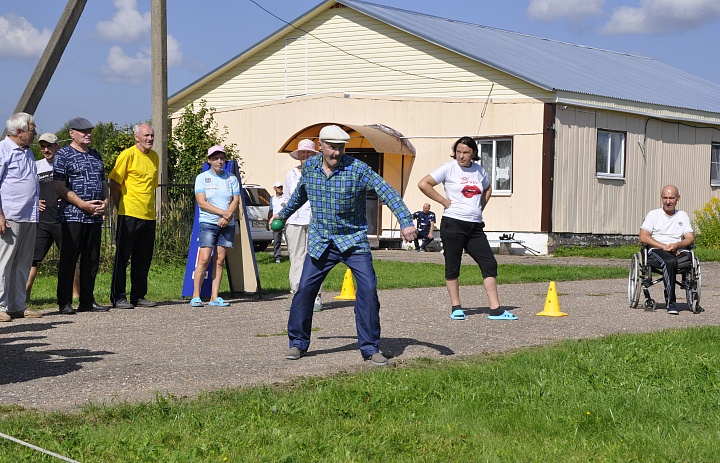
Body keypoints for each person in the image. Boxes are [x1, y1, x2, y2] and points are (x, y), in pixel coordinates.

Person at [275, 125, 417, 366]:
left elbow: (388, 192)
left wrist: (406, 222)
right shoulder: (309, 167)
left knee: (369, 289)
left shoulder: (358, 169)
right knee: (304, 290)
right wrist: (284, 214)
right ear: (321, 146)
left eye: (341, 148)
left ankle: (370, 347)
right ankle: (298, 343)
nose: (337, 153)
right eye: (332, 147)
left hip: (353, 241)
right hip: (322, 242)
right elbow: (301, 194)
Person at [418, 136, 517, 321]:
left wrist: (480, 208)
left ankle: (495, 309)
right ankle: (456, 307)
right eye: (458, 152)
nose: (461, 156)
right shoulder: (448, 168)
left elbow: (488, 189)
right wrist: (444, 201)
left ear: (473, 154)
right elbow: (424, 184)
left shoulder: (479, 170)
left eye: (466, 153)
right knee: (453, 265)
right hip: (453, 223)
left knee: (489, 263)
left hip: (475, 227)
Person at [53, 117, 110, 314]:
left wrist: (105, 203)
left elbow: (103, 183)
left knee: (91, 259)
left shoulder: (95, 155)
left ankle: (87, 300)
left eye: (90, 131)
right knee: (69, 258)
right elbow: (59, 185)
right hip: (73, 215)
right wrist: (83, 204)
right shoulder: (63, 155)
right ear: (72, 133)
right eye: (83, 131)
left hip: (94, 216)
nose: (88, 134)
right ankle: (65, 302)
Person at [109, 123, 159, 309]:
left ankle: (138, 295)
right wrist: (119, 205)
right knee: (123, 256)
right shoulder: (127, 155)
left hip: (149, 214)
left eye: (152, 136)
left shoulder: (154, 157)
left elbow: (152, 186)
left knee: (143, 258)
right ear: (136, 137)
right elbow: (114, 182)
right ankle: (118, 296)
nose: (150, 139)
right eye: (146, 135)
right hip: (129, 213)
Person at [26, 133, 80, 303]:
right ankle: (25, 296)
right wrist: (35, 202)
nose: (46, 150)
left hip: (63, 219)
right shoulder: (36, 166)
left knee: (70, 257)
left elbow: (76, 186)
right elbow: (28, 188)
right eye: (42, 146)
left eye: (49, 146)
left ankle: (76, 295)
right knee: (32, 259)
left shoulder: (66, 164)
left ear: (57, 146)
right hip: (43, 221)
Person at [0, 112, 42, 322]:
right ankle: (0, 305)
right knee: (4, 262)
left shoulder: (27, 152)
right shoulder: (3, 150)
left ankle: (16, 304)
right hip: (10, 215)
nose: (35, 134)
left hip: (28, 215)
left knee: (22, 263)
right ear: (19, 131)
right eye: (32, 130)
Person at [189, 146, 240, 308]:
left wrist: (228, 215)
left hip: (227, 224)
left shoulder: (231, 178)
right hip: (208, 222)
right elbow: (202, 202)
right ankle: (196, 295)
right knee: (204, 258)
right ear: (209, 160)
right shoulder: (202, 178)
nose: (219, 161)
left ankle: (214, 296)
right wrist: (222, 213)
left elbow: (235, 200)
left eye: (222, 158)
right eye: (215, 158)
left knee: (219, 260)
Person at [639, 185, 695, 315]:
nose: (668, 201)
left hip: (679, 250)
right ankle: (671, 302)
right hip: (657, 250)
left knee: (687, 258)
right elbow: (643, 237)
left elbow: (690, 238)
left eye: (671, 198)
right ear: (661, 198)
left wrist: (677, 244)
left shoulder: (682, 215)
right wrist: (664, 246)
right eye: (665, 198)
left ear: (678, 198)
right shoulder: (654, 215)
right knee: (669, 261)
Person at [284, 139, 323, 312]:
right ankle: (297, 296)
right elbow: (286, 198)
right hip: (294, 220)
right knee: (296, 257)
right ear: (298, 155)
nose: (305, 155)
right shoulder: (291, 174)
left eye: (308, 152)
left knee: (314, 258)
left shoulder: (321, 172)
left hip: (315, 220)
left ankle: (316, 297)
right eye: (302, 153)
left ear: (314, 154)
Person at [268, 181, 285, 264]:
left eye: (281, 187)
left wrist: (285, 205)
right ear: (274, 188)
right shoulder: (272, 199)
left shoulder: (286, 197)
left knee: (289, 238)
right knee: (276, 240)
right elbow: (270, 210)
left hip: (285, 219)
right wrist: (269, 222)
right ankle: (277, 257)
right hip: (276, 222)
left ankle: (292, 256)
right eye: (278, 187)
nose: (280, 189)